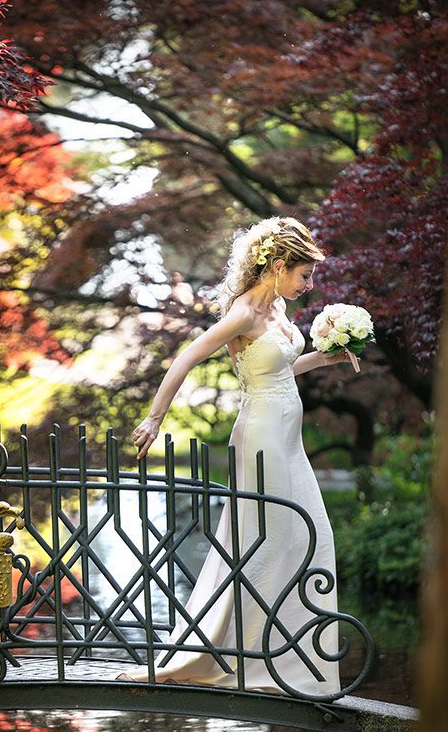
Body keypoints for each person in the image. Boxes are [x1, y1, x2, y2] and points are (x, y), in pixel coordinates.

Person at [116, 216, 357, 696]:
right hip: (261, 437)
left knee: (305, 536)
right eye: (304, 275)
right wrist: (155, 418)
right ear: (280, 265)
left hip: (289, 438)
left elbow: (282, 368)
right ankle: (250, 659)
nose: (309, 285)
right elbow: (185, 357)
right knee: (267, 539)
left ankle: (289, 659)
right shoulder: (244, 314)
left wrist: (323, 357)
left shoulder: (279, 312)